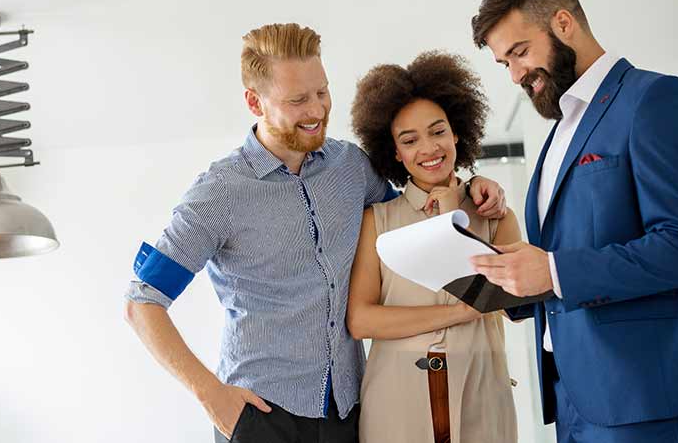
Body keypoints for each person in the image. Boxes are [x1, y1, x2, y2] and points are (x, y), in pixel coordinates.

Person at [123, 23, 507, 442]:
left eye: (322, 92)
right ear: (255, 102)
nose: (318, 110)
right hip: (260, 413)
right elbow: (142, 302)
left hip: (347, 411)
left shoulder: (351, 167)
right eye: (298, 100)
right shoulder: (219, 193)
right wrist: (210, 394)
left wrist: (473, 186)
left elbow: (414, 209)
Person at [468, 0, 678, 442]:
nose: (514, 74)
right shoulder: (557, 135)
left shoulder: (657, 100)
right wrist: (512, 284)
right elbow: (577, 253)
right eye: (503, 63)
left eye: (519, 52)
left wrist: (552, 271)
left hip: (649, 396)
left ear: (563, 23)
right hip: (574, 397)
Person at [347, 51, 521, 443]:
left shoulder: (496, 215)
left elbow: (515, 306)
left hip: (482, 394)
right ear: (395, 152)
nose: (428, 148)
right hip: (397, 403)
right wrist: (461, 312)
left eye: (438, 131)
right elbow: (361, 320)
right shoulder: (377, 221)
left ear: (456, 132)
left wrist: (451, 216)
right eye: (410, 140)